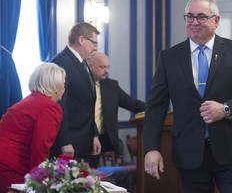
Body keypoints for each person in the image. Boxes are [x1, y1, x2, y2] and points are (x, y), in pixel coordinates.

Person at [143, 0, 232, 193]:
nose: (194, 22)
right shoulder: (169, 57)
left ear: (216, 20)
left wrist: (226, 109)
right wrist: (151, 148)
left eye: (201, 16)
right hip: (189, 153)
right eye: (189, 17)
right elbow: (156, 107)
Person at [0, 63, 66, 192]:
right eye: (63, 83)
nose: (64, 87)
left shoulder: (29, 101)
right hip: (11, 167)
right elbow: (40, 147)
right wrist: (39, 181)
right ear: (56, 86)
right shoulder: (49, 107)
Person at [50, 22, 101, 165]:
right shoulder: (61, 63)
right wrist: (64, 141)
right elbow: (59, 106)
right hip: (69, 144)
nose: (96, 48)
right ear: (81, 40)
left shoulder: (82, 62)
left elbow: (87, 104)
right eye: (94, 43)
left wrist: (94, 134)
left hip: (85, 141)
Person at [86, 51, 146, 167]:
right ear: (90, 65)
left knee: (91, 177)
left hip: (101, 140)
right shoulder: (82, 84)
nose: (107, 71)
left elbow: (133, 104)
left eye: (108, 67)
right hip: (82, 139)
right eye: (102, 67)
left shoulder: (111, 86)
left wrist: (155, 108)